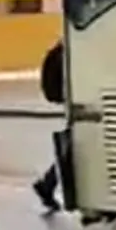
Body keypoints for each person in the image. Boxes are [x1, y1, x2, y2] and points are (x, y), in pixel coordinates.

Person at [33, 39, 64, 212]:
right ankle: (47, 184)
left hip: (73, 100)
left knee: (76, 148)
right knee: (79, 149)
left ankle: (47, 184)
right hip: (79, 101)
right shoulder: (70, 54)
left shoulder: (60, 51)